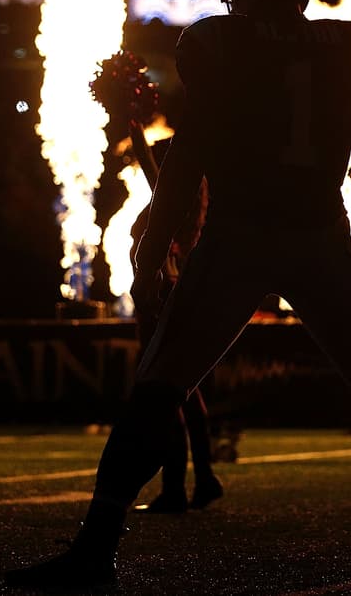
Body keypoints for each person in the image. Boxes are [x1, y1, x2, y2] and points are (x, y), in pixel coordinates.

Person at [6, 0, 351, 590]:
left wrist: (152, 246)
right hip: (321, 235)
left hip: (239, 235)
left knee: (156, 391)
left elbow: (193, 152)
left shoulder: (215, 42)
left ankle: (97, 549)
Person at [126, 129, 223, 514]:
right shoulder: (192, 201)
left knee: (163, 392)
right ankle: (201, 478)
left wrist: (133, 126)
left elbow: (151, 170)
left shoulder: (176, 200)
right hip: (174, 293)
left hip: (162, 295)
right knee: (182, 392)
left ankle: (176, 487)